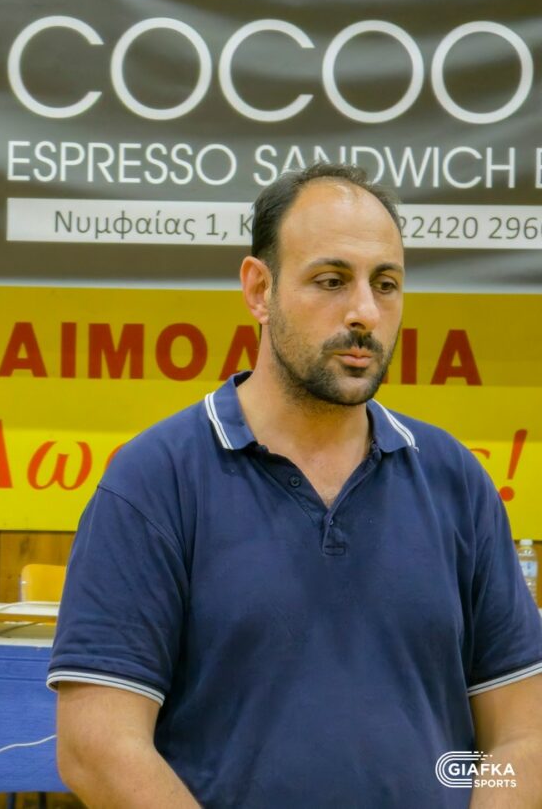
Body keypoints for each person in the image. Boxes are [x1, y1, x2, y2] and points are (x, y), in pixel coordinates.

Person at [48, 164, 542, 807]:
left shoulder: (457, 481)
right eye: (331, 281)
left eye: (386, 284)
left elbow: (522, 740)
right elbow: (97, 747)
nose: (365, 312)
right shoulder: (154, 480)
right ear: (259, 289)